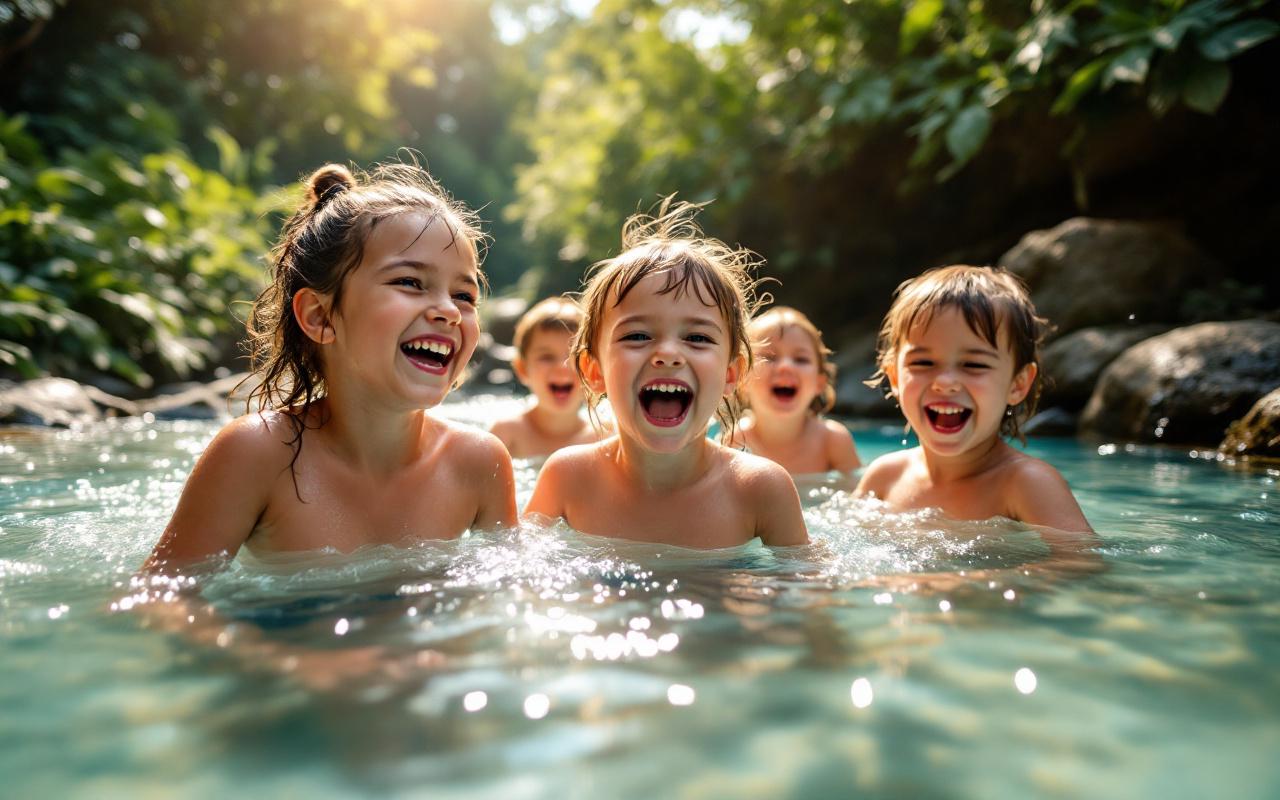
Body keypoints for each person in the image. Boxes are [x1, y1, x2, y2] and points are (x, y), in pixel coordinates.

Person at [144, 162, 516, 571]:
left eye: (465, 294)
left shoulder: (479, 463)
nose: (449, 310)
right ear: (320, 317)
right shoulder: (258, 456)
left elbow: (506, 601)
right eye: (409, 282)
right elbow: (160, 601)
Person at [524, 200, 809, 548]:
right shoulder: (568, 478)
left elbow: (806, 593)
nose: (668, 354)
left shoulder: (760, 489)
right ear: (593, 370)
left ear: (731, 374)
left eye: (697, 338)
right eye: (638, 336)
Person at [856, 265, 1092, 533]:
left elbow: (1080, 566)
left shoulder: (1025, 483)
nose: (945, 382)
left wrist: (954, 579)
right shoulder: (885, 476)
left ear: (1018, 384)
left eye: (974, 364)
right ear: (895, 378)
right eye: (923, 362)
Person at [735, 306, 860, 476]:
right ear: (742, 378)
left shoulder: (833, 441)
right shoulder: (736, 441)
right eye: (770, 357)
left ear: (819, 382)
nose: (786, 366)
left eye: (801, 359)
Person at [490, 297, 605, 459]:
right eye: (547, 357)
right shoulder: (508, 435)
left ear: (592, 370)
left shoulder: (603, 439)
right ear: (522, 369)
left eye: (575, 357)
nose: (562, 367)